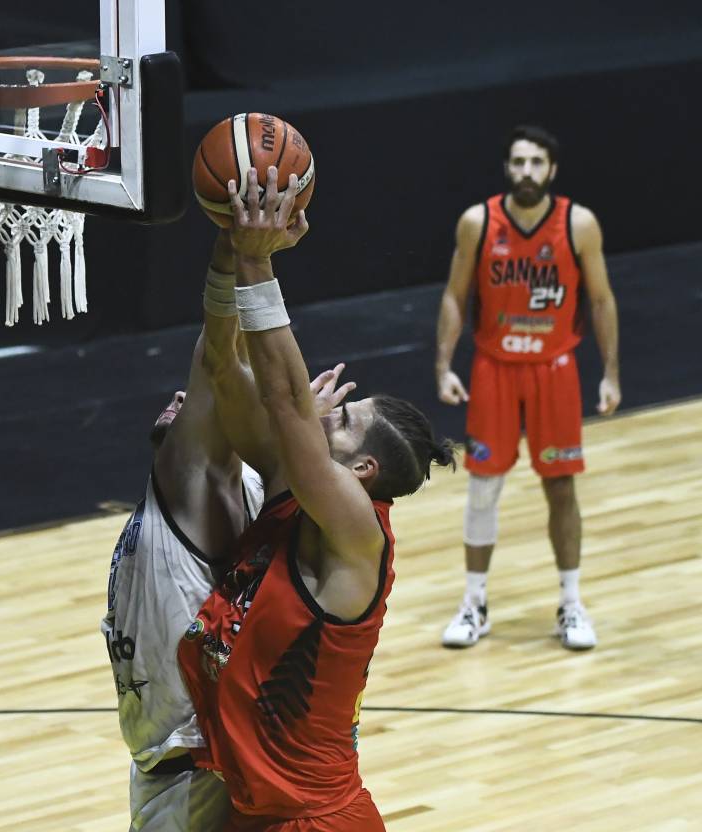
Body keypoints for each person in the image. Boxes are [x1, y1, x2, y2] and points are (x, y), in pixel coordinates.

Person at [178, 166, 456, 831]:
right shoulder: (292, 489)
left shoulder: (359, 534)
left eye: (345, 420)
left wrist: (258, 263)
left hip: (317, 819)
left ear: (362, 469)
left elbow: (286, 402)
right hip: (257, 809)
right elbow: (222, 369)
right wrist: (227, 253)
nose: (327, 412)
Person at [102, 229, 356, 831]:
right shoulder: (233, 492)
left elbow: (216, 360)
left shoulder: (204, 486)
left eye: (196, 403)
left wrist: (234, 244)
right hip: (175, 766)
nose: (181, 397)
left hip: (203, 774)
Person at [435, 124, 621, 651]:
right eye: (518, 162)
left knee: (561, 486)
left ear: (552, 170)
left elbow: (602, 300)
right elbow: (454, 296)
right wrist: (444, 365)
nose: (527, 172)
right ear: (507, 167)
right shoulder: (478, 222)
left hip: (554, 369)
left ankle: (571, 603)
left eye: (537, 162)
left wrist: (610, 373)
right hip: (494, 369)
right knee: (483, 485)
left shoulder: (578, 224)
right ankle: (474, 603)